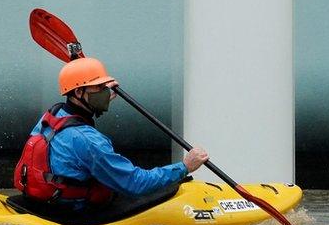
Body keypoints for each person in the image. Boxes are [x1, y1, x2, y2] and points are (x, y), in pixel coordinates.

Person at [14, 57, 208, 209]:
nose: (104, 92)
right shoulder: (90, 142)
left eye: (104, 87)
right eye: (99, 88)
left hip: (45, 199)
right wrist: (184, 166)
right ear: (79, 93)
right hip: (74, 210)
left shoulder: (55, 113)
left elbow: (78, 128)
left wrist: (102, 96)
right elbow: (135, 184)